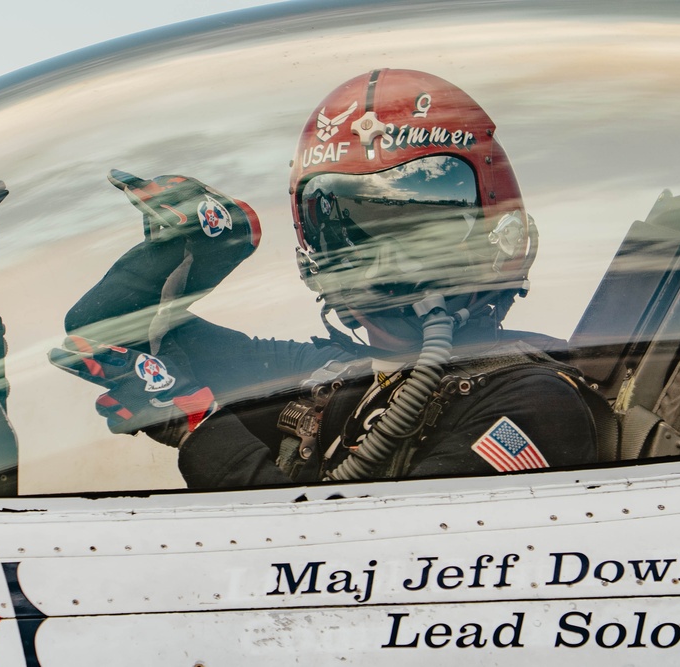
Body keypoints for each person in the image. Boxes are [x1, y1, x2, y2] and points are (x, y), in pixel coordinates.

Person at [51, 69, 603, 489]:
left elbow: (355, 567)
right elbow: (104, 334)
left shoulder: (536, 406)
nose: (388, 264)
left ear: (494, 231)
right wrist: (196, 253)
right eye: (348, 229)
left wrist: (202, 431)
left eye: (419, 226)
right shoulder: (337, 377)